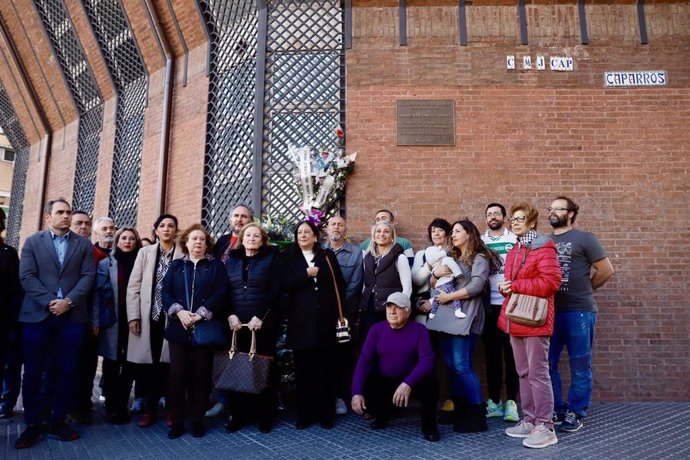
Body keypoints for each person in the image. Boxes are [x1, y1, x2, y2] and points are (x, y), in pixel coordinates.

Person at [15, 198, 95, 449]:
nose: (65, 216)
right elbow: (26, 276)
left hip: (72, 318)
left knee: (67, 370)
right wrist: (51, 302)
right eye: (60, 212)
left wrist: (68, 302)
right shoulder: (32, 242)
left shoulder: (82, 244)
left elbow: (88, 276)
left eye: (68, 212)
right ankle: (33, 424)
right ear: (48, 216)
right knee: (33, 372)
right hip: (37, 316)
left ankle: (58, 420)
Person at [498, 202, 562, 449]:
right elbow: (513, 282)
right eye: (512, 219)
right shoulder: (516, 248)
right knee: (523, 373)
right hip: (516, 319)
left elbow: (550, 283)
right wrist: (506, 287)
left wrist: (514, 286)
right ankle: (529, 420)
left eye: (520, 218)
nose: (514, 222)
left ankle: (545, 426)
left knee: (537, 374)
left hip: (535, 319)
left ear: (532, 222)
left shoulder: (543, 246)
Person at [548, 196, 614, 432]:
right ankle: (556, 409)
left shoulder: (585, 238)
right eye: (551, 209)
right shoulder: (544, 241)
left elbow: (606, 270)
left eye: (558, 209)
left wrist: (587, 289)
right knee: (547, 364)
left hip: (579, 312)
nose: (553, 212)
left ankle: (576, 412)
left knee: (580, 364)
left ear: (571, 213)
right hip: (550, 313)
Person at [426, 219, 493, 433]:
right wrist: (436, 274)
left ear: (469, 234)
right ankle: (460, 408)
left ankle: (477, 415)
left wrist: (450, 297)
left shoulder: (479, 257)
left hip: (467, 315)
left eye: (457, 231)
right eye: (452, 231)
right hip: (445, 318)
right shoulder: (450, 257)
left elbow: (476, 285)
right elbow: (432, 284)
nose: (452, 235)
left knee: (462, 365)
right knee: (450, 364)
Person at [162, 224, 228, 439]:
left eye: (202, 239)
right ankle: (178, 421)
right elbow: (166, 292)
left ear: (207, 244)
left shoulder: (216, 266)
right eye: (194, 239)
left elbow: (221, 292)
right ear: (186, 243)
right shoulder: (176, 266)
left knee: (201, 375)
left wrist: (200, 314)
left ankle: (197, 420)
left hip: (204, 327)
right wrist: (179, 312)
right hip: (179, 327)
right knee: (177, 376)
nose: (198, 242)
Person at [351, 292, 440, 442]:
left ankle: (429, 427)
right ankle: (382, 416)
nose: (392, 312)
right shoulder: (376, 330)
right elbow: (364, 360)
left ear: (408, 311)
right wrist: (356, 392)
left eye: (397, 308)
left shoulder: (419, 330)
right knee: (369, 379)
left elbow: (427, 360)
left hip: (410, 382)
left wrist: (407, 383)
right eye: (389, 307)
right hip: (386, 380)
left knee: (431, 381)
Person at [281, 220, 345, 429]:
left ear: (315, 235)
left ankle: (325, 415)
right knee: (304, 372)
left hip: (326, 323)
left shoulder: (327, 255)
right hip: (301, 324)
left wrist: (338, 315)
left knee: (326, 370)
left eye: (307, 232)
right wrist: (305, 275)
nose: (303, 235)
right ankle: (304, 415)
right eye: (299, 232)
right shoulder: (289, 256)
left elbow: (340, 285)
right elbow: (284, 284)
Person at [126, 214, 183, 428]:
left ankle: (171, 410)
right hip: (149, 317)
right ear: (155, 229)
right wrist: (133, 316)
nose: (166, 229)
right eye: (162, 226)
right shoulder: (145, 252)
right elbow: (133, 287)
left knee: (171, 368)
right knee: (149, 368)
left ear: (176, 230)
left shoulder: (183, 252)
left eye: (171, 226)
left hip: (174, 318)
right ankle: (149, 410)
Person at [224, 223, 281, 433]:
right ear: (242, 238)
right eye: (248, 235)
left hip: (264, 324)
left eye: (256, 235)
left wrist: (261, 317)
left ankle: (265, 415)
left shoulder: (271, 258)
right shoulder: (232, 260)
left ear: (262, 239)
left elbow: (274, 290)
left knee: (263, 369)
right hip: (237, 325)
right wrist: (230, 314)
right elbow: (225, 290)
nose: (251, 238)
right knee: (239, 369)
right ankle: (238, 414)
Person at [207, 204, 253, 417]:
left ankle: (237, 404)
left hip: (242, 307)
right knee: (223, 353)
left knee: (240, 355)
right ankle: (222, 399)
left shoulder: (253, 240)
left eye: (244, 216)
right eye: (236, 215)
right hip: (219, 306)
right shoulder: (223, 242)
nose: (239, 219)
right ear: (230, 218)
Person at [92, 227, 142, 424]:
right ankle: (111, 406)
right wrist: (95, 320)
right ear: (117, 241)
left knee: (130, 363)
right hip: (113, 318)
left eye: (132, 238)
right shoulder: (107, 264)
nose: (127, 241)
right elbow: (97, 294)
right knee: (112, 362)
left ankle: (123, 405)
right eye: (124, 238)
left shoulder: (141, 263)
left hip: (135, 318)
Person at [480, 203, 519, 422]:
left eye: (496, 213)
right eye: (489, 214)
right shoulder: (481, 242)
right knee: (492, 356)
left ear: (504, 218)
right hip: (488, 306)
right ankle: (494, 401)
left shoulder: (515, 239)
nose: (492, 216)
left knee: (511, 355)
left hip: (511, 305)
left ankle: (511, 402)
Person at [323, 216, 363, 415]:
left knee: (342, 356)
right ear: (327, 228)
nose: (336, 227)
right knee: (322, 355)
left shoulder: (356, 253)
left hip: (343, 313)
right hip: (321, 313)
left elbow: (355, 285)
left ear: (345, 228)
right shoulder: (319, 250)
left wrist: (338, 308)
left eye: (340, 224)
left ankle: (339, 397)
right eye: (333, 224)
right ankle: (324, 397)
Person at [359, 221, 412, 346]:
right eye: (378, 231)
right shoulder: (367, 257)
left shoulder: (400, 257)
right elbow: (365, 284)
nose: (381, 234)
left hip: (390, 308)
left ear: (392, 236)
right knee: (368, 343)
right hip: (369, 307)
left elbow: (407, 287)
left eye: (386, 231)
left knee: (388, 344)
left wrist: (401, 309)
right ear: (373, 235)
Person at [0, 208, 23, 419]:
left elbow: (16, 288)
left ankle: (6, 403)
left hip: (7, 321)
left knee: (10, 365)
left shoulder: (9, 253)